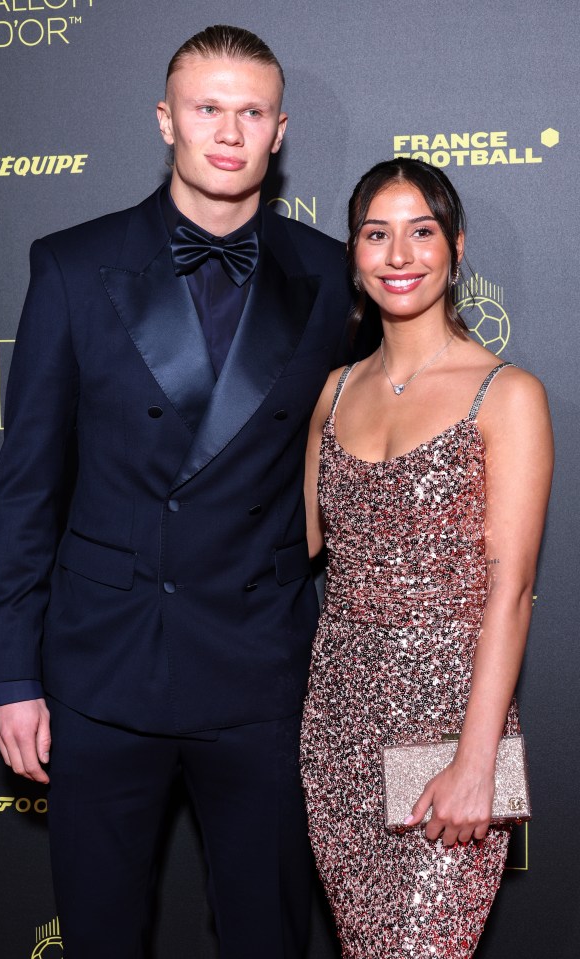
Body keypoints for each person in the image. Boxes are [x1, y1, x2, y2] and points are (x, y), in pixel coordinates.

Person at [0, 25, 351, 959]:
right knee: (101, 935)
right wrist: (14, 673)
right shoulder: (71, 265)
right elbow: (27, 484)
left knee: (268, 935)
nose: (228, 131)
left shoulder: (334, 273)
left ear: (279, 131)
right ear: (166, 121)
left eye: (251, 111)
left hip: (261, 668)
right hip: (102, 670)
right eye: (207, 108)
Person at [300, 157, 553, 957]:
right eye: (377, 234)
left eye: (422, 232)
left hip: (449, 723)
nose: (399, 255)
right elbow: (294, 541)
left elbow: (510, 593)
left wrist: (476, 762)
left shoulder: (506, 393)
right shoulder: (333, 390)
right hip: (337, 722)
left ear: (456, 248)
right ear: (354, 253)